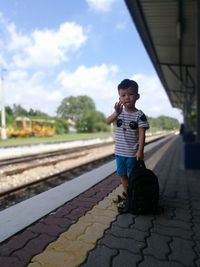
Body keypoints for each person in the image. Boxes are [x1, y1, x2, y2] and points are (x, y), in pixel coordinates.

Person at [107, 78, 149, 203]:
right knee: (122, 175)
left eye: (130, 94)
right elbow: (107, 121)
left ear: (137, 96)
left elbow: (142, 134)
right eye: (123, 95)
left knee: (133, 177)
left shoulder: (139, 115)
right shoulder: (118, 113)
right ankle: (128, 195)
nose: (127, 98)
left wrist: (140, 151)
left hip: (132, 154)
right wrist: (116, 113)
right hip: (119, 153)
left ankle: (135, 197)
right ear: (119, 98)